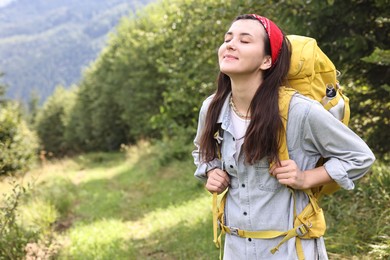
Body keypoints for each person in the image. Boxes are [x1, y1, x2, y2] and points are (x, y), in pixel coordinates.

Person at [192, 14, 375, 260]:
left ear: (267, 60)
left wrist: (306, 177)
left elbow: (360, 157)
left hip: (289, 248)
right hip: (235, 248)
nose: (231, 44)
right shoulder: (213, 107)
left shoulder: (298, 111)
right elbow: (202, 151)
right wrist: (211, 170)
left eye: (245, 41)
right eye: (228, 39)